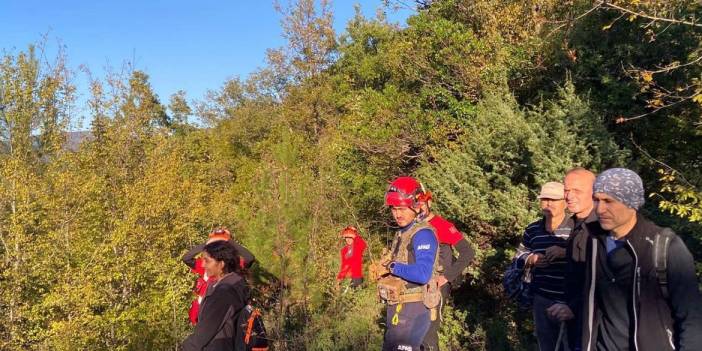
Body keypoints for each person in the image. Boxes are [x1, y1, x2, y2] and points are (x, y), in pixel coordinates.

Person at [578, 168, 702, 350]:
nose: (599, 209)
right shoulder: (593, 240)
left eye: (608, 201)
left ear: (632, 203)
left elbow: (692, 317)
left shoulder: (666, 247)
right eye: (596, 199)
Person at [378, 176, 440, 351]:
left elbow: (423, 274)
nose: (397, 214)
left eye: (402, 208)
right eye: (394, 209)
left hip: (414, 309)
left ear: (415, 205)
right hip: (399, 307)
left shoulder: (422, 234)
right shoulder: (402, 232)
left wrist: (392, 266)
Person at [513, 182, 573, 351]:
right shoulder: (532, 229)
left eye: (554, 199)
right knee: (546, 346)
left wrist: (564, 252)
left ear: (565, 202)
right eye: (545, 199)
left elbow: (589, 256)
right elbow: (518, 256)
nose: (548, 203)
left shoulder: (576, 227)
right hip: (542, 300)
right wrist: (531, 259)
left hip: (569, 301)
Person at [546, 168, 597, 349]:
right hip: (576, 321)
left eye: (577, 191)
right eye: (566, 190)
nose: (569, 196)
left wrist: (574, 307)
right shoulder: (576, 226)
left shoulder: (602, 229)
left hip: (596, 326)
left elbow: (608, 281)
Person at [419, 190, 475, 351]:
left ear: (429, 203)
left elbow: (467, 252)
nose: (419, 208)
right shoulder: (414, 227)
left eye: (422, 203)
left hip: (436, 286)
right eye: (415, 205)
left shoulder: (443, 225)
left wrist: (446, 277)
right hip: (416, 284)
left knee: (428, 333)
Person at [182, 240, 250, 351]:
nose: (203, 264)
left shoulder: (224, 293)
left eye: (207, 261)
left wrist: (228, 241)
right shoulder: (235, 280)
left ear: (222, 264)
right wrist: (207, 243)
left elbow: (202, 336)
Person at [182, 228, 256, 325]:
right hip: (204, 313)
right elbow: (186, 258)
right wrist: (208, 243)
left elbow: (250, 258)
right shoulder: (206, 264)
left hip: (225, 314)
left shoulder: (233, 264)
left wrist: (229, 241)